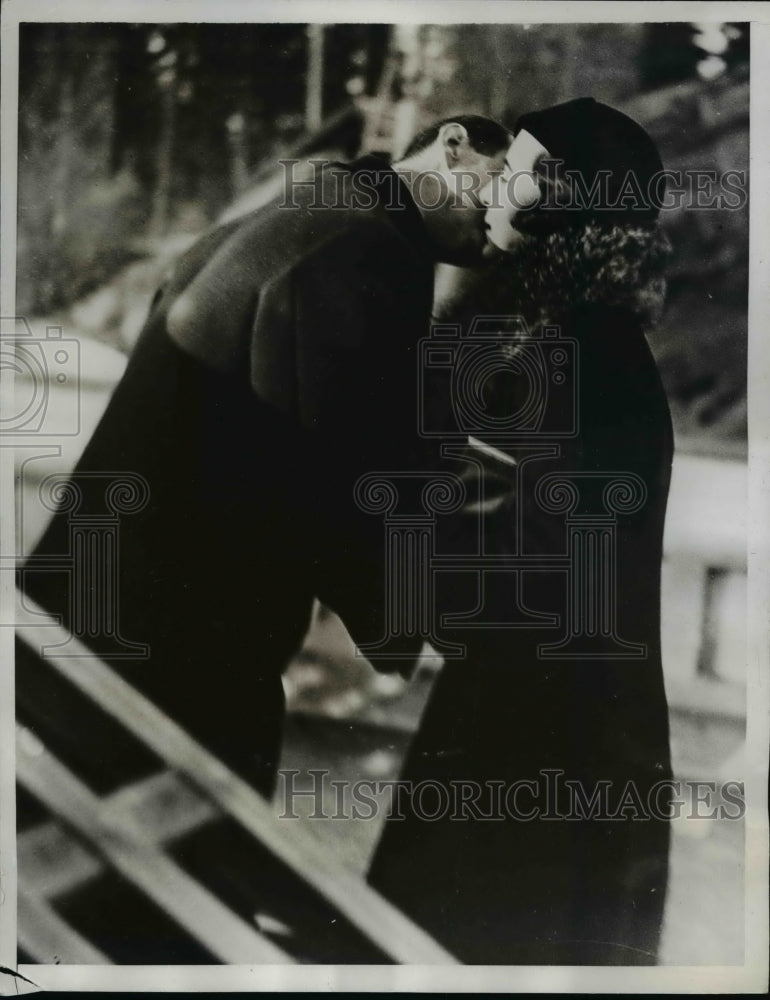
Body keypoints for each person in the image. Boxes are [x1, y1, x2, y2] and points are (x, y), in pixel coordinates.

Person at [19, 116, 511, 797]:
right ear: (452, 144)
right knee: (189, 850)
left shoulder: (314, 211)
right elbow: (350, 467)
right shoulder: (370, 246)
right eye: (503, 180)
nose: (509, 213)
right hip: (180, 636)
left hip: (96, 607)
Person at [367, 98, 675, 965]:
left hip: (543, 742)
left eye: (520, 171)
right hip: (546, 719)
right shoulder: (581, 337)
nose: (499, 186)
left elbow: (540, 557)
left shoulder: (583, 352)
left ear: (566, 197)